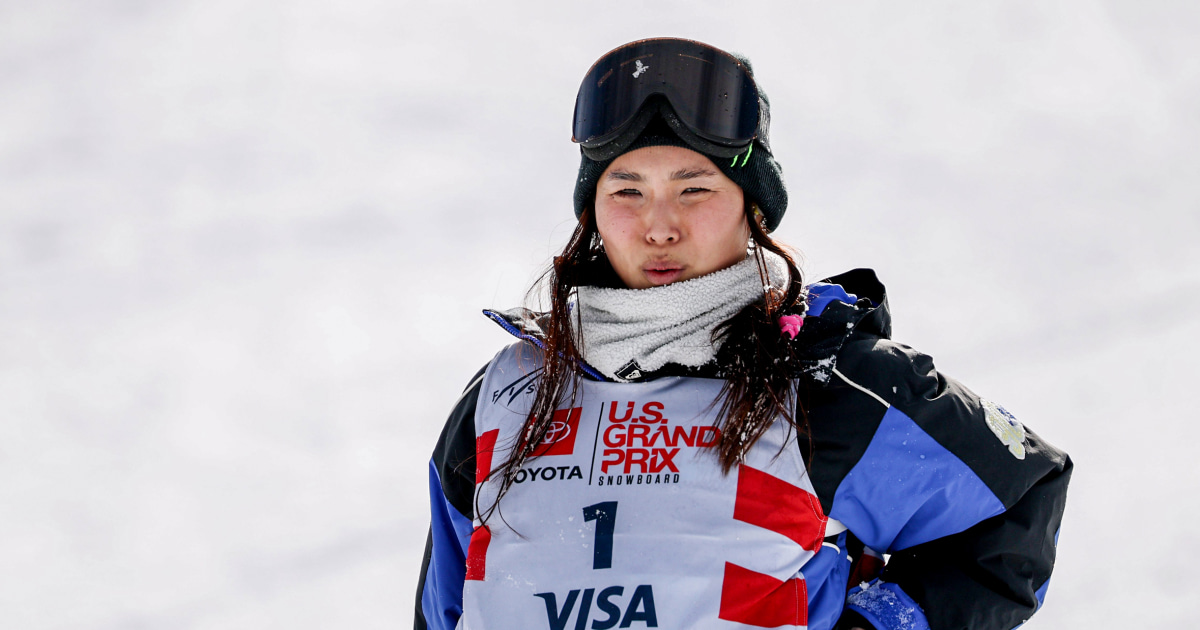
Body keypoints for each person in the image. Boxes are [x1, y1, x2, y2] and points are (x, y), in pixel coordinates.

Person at [415, 38, 1071, 630]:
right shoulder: (508, 393)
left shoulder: (825, 381)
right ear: (592, 209)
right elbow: (445, 603)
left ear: (752, 208)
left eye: (694, 190)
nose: (660, 227)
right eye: (627, 191)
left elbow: (1015, 504)